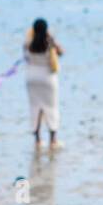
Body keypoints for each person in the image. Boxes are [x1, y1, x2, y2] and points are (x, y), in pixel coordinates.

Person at [23, 18, 64, 150]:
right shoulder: (49, 43)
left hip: (31, 77)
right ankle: (53, 140)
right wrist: (52, 39)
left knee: (35, 108)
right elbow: (61, 53)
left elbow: (25, 58)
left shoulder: (28, 43)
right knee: (51, 108)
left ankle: (38, 140)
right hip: (47, 77)